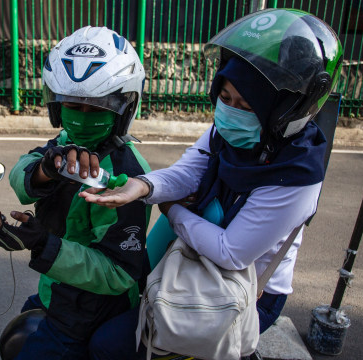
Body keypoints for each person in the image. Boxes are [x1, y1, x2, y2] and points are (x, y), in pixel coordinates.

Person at [81, 8, 343, 359]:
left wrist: (172, 210)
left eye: (246, 104)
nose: (230, 112)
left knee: (108, 346)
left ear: (279, 110)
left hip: (243, 293)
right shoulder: (233, 132)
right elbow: (188, 172)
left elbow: (230, 252)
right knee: (115, 301)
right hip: (190, 252)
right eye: (225, 97)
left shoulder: (296, 177)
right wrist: (141, 187)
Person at [0, 26, 152, 360]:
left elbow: (118, 272)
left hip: (91, 308)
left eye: (97, 107)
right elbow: (23, 170)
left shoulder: (126, 175)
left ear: (124, 107)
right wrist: (45, 171)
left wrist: (44, 244)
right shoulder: (62, 146)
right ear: (56, 106)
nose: (82, 117)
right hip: (57, 289)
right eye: (73, 105)